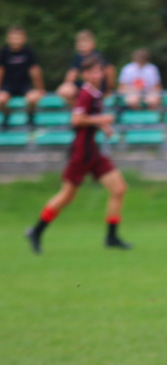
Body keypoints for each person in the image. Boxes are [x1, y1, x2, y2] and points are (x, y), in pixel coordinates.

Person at [24, 55, 132, 254]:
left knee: (118, 189)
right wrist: (101, 119)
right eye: (93, 72)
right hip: (82, 152)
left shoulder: (95, 93)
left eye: (100, 71)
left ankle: (111, 236)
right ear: (85, 75)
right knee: (67, 196)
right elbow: (77, 120)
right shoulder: (85, 93)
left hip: (93, 151)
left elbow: (87, 120)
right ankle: (36, 231)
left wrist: (102, 125)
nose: (98, 75)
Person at [0, 25, 45, 128]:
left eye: (18, 37)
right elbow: (1, 71)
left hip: (24, 85)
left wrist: (40, 89)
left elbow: (35, 71)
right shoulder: (4, 52)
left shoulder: (28, 52)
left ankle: (30, 116)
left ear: (24, 38)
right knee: (1, 99)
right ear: (8, 39)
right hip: (8, 85)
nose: (16, 40)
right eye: (13, 37)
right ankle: (6, 116)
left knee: (33, 98)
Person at [56, 30, 116, 107]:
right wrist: (67, 85)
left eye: (85, 42)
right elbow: (72, 74)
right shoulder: (78, 57)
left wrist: (108, 91)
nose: (83, 45)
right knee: (64, 90)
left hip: (98, 87)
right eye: (80, 42)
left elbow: (110, 70)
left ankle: (86, 111)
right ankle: (80, 109)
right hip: (85, 87)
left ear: (93, 44)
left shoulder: (98, 56)